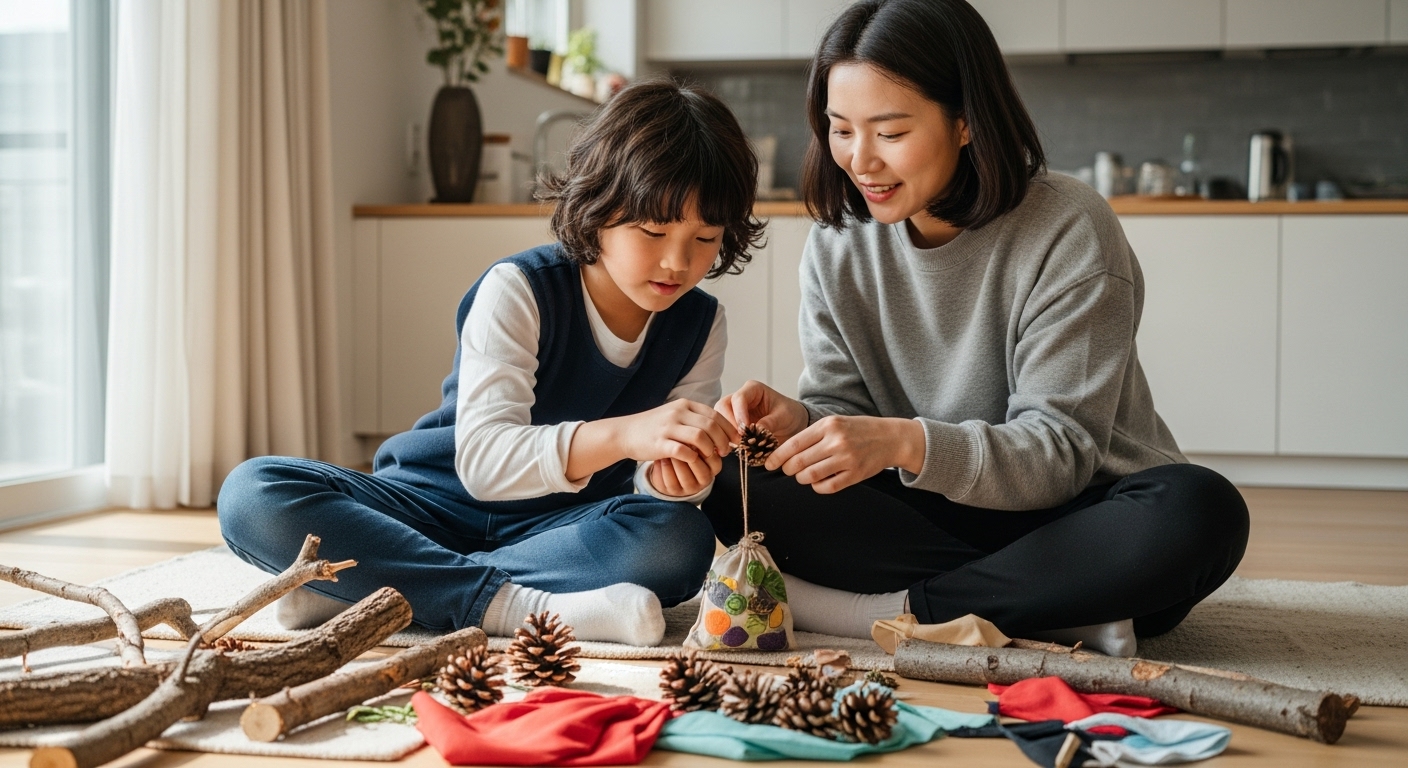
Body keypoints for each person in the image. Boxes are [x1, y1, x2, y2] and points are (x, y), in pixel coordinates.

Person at [705, 0, 1249, 657]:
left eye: (890, 132)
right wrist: (799, 423)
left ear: (965, 121)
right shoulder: (838, 243)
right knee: (730, 477)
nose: (860, 160)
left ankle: (901, 611)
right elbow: (847, 415)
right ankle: (1048, 607)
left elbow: (1060, 455)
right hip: (938, 514)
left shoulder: (1068, 226)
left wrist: (904, 441)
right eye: (840, 129)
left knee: (1200, 511)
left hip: (1080, 512)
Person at [219, 80, 765, 645]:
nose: (677, 261)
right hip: (430, 505)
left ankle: (378, 587)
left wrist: (676, 480)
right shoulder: (520, 287)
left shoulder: (701, 323)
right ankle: (506, 605)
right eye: (653, 231)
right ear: (599, 208)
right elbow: (484, 464)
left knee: (678, 540)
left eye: (705, 238)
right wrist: (626, 434)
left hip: (558, 531)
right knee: (252, 492)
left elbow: (653, 490)